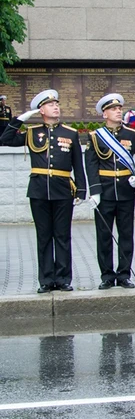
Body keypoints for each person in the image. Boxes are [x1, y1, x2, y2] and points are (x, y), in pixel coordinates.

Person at [0, 90, 86, 293]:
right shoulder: (32, 132)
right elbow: (4, 138)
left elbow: (78, 165)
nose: (56, 107)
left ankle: (63, 278)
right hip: (39, 191)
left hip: (63, 190)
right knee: (44, 236)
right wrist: (20, 119)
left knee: (63, 236)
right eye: (51, 105)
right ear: (41, 110)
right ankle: (46, 280)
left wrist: (81, 190)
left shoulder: (70, 133)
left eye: (57, 104)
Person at [86, 93, 135, 290]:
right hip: (105, 192)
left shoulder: (132, 135)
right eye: (113, 109)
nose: (118, 111)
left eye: (119, 108)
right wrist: (94, 191)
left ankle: (124, 274)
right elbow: (91, 164)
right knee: (104, 235)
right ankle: (107, 276)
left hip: (126, 192)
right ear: (104, 114)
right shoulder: (95, 137)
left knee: (126, 234)